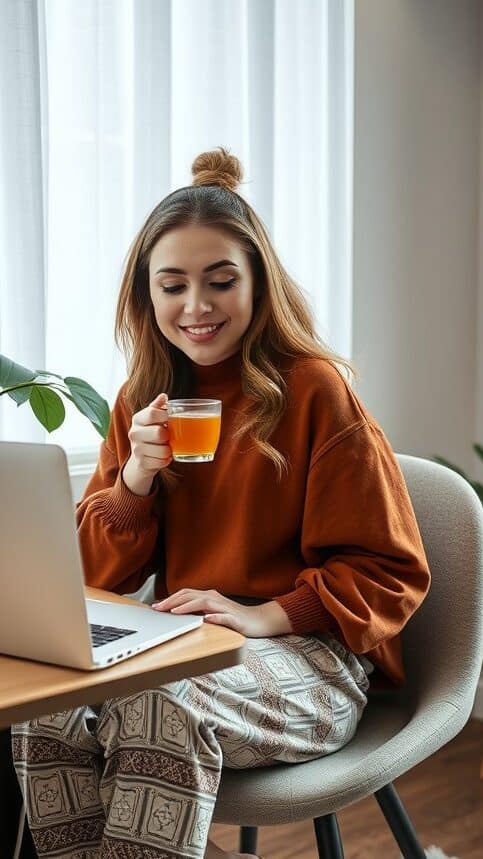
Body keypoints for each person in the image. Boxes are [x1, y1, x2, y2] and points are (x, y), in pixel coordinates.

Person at [12, 147, 431, 859]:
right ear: (146, 296)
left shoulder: (314, 392)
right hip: (183, 648)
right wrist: (135, 482)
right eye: (171, 285)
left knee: (157, 704)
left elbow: (390, 570)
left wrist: (261, 614)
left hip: (314, 662)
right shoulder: (139, 401)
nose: (195, 306)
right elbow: (90, 575)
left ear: (257, 284)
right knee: (40, 715)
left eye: (219, 281)